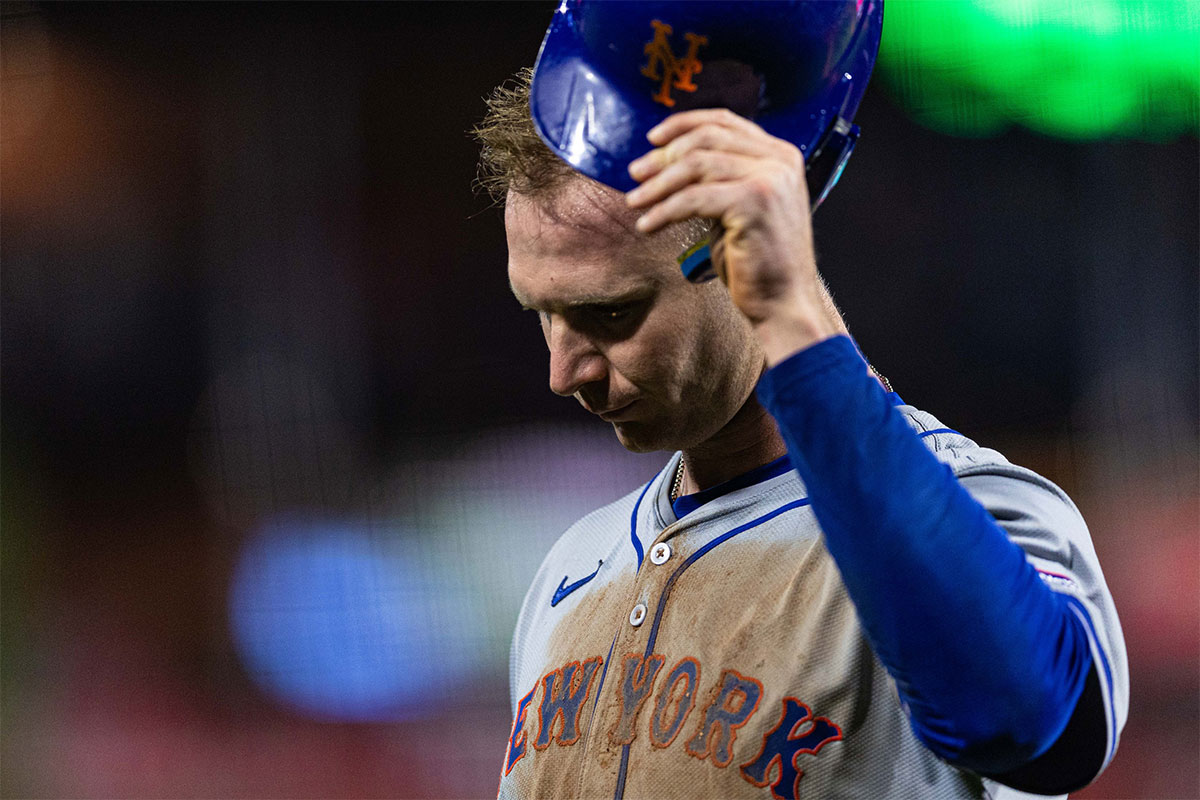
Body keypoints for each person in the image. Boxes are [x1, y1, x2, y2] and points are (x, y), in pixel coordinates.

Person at [476, 54, 1126, 800]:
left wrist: (793, 313)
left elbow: (1039, 732)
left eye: (612, 314)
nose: (565, 373)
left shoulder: (974, 508)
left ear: (738, 261)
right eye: (544, 314)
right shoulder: (573, 563)